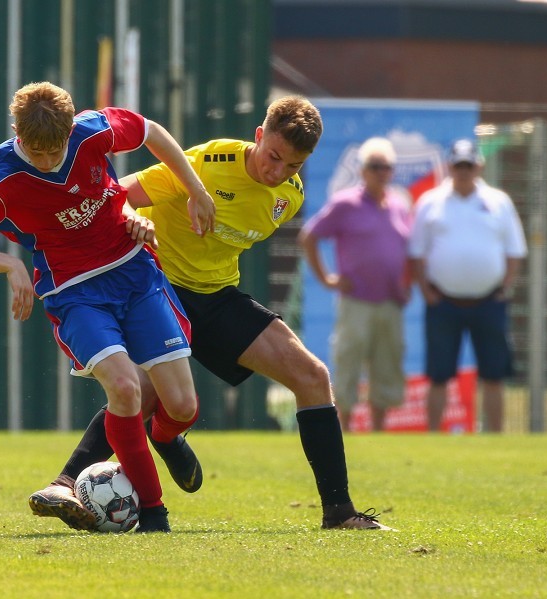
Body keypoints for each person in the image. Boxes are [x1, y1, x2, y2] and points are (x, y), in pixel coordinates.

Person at [30, 95, 393, 531]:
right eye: (273, 156)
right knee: (141, 392)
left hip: (217, 296)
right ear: (258, 137)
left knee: (313, 377)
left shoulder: (289, 197)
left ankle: (339, 512)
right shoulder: (205, 164)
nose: (276, 172)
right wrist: (136, 223)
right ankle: (66, 482)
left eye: (292, 166)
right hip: (158, 288)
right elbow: (116, 195)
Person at [0, 81, 216, 533]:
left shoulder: (91, 130)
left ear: (69, 131)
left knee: (182, 405)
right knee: (124, 389)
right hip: (75, 292)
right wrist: (8, 265)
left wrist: (196, 190)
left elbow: (152, 132)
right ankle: (154, 514)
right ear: (17, 134)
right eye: (37, 153)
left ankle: (163, 436)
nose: (49, 163)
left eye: (56, 151)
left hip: (135, 274)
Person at [409, 139, 527, 432]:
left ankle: (495, 437)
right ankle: (434, 436)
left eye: (469, 165)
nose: (463, 171)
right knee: (438, 375)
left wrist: (505, 286)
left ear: (479, 166)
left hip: (489, 302)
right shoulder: (430, 202)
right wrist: (426, 291)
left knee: (494, 374)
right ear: (449, 166)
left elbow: (515, 250)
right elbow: (416, 253)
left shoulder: (499, 202)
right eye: (458, 165)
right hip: (443, 302)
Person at [297, 137, 410, 432]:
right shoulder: (346, 204)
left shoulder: (399, 206)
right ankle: (344, 430)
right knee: (349, 363)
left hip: (390, 302)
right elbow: (309, 237)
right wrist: (327, 278)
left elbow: (407, 250)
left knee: (386, 366)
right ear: (363, 170)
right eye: (375, 166)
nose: (381, 172)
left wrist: (406, 284)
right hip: (356, 300)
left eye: (386, 167)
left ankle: (378, 433)